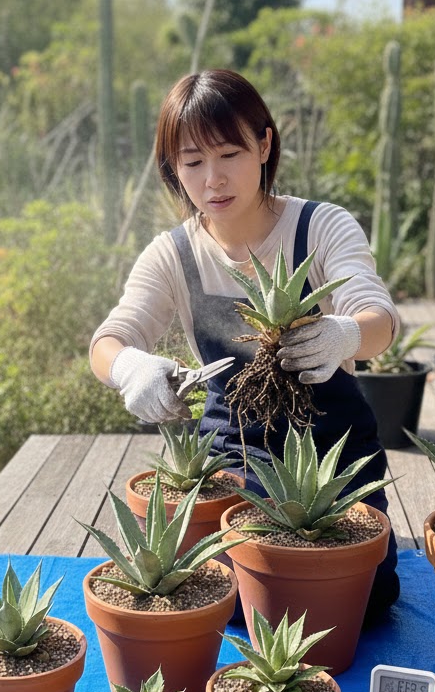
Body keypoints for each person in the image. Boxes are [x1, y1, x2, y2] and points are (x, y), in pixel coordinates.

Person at [89, 69, 401, 620]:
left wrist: (347, 332)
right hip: (233, 458)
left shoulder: (321, 226)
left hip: (335, 456)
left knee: (362, 600)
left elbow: (379, 316)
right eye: (192, 162)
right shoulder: (171, 255)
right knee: (231, 599)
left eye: (229, 153)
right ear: (173, 170)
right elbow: (109, 340)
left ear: (264, 144)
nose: (213, 180)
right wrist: (130, 368)